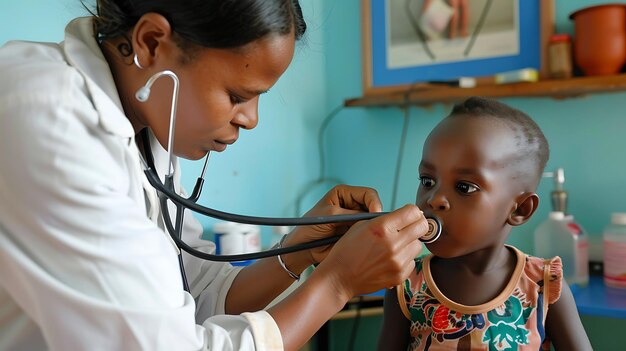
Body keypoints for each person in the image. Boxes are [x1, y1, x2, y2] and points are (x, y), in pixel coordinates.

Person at [0, 1, 429, 350]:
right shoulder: (49, 120)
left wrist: (300, 250)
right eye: (237, 95)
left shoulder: (145, 128)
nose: (251, 119)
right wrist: (337, 282)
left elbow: (197, 294)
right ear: (151, 43)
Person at [377, 97, 592, 350]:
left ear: (520, 209)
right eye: (427, 181)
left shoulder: (543, 286)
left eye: (464, 187)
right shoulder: (406, 284)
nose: (434, 200)